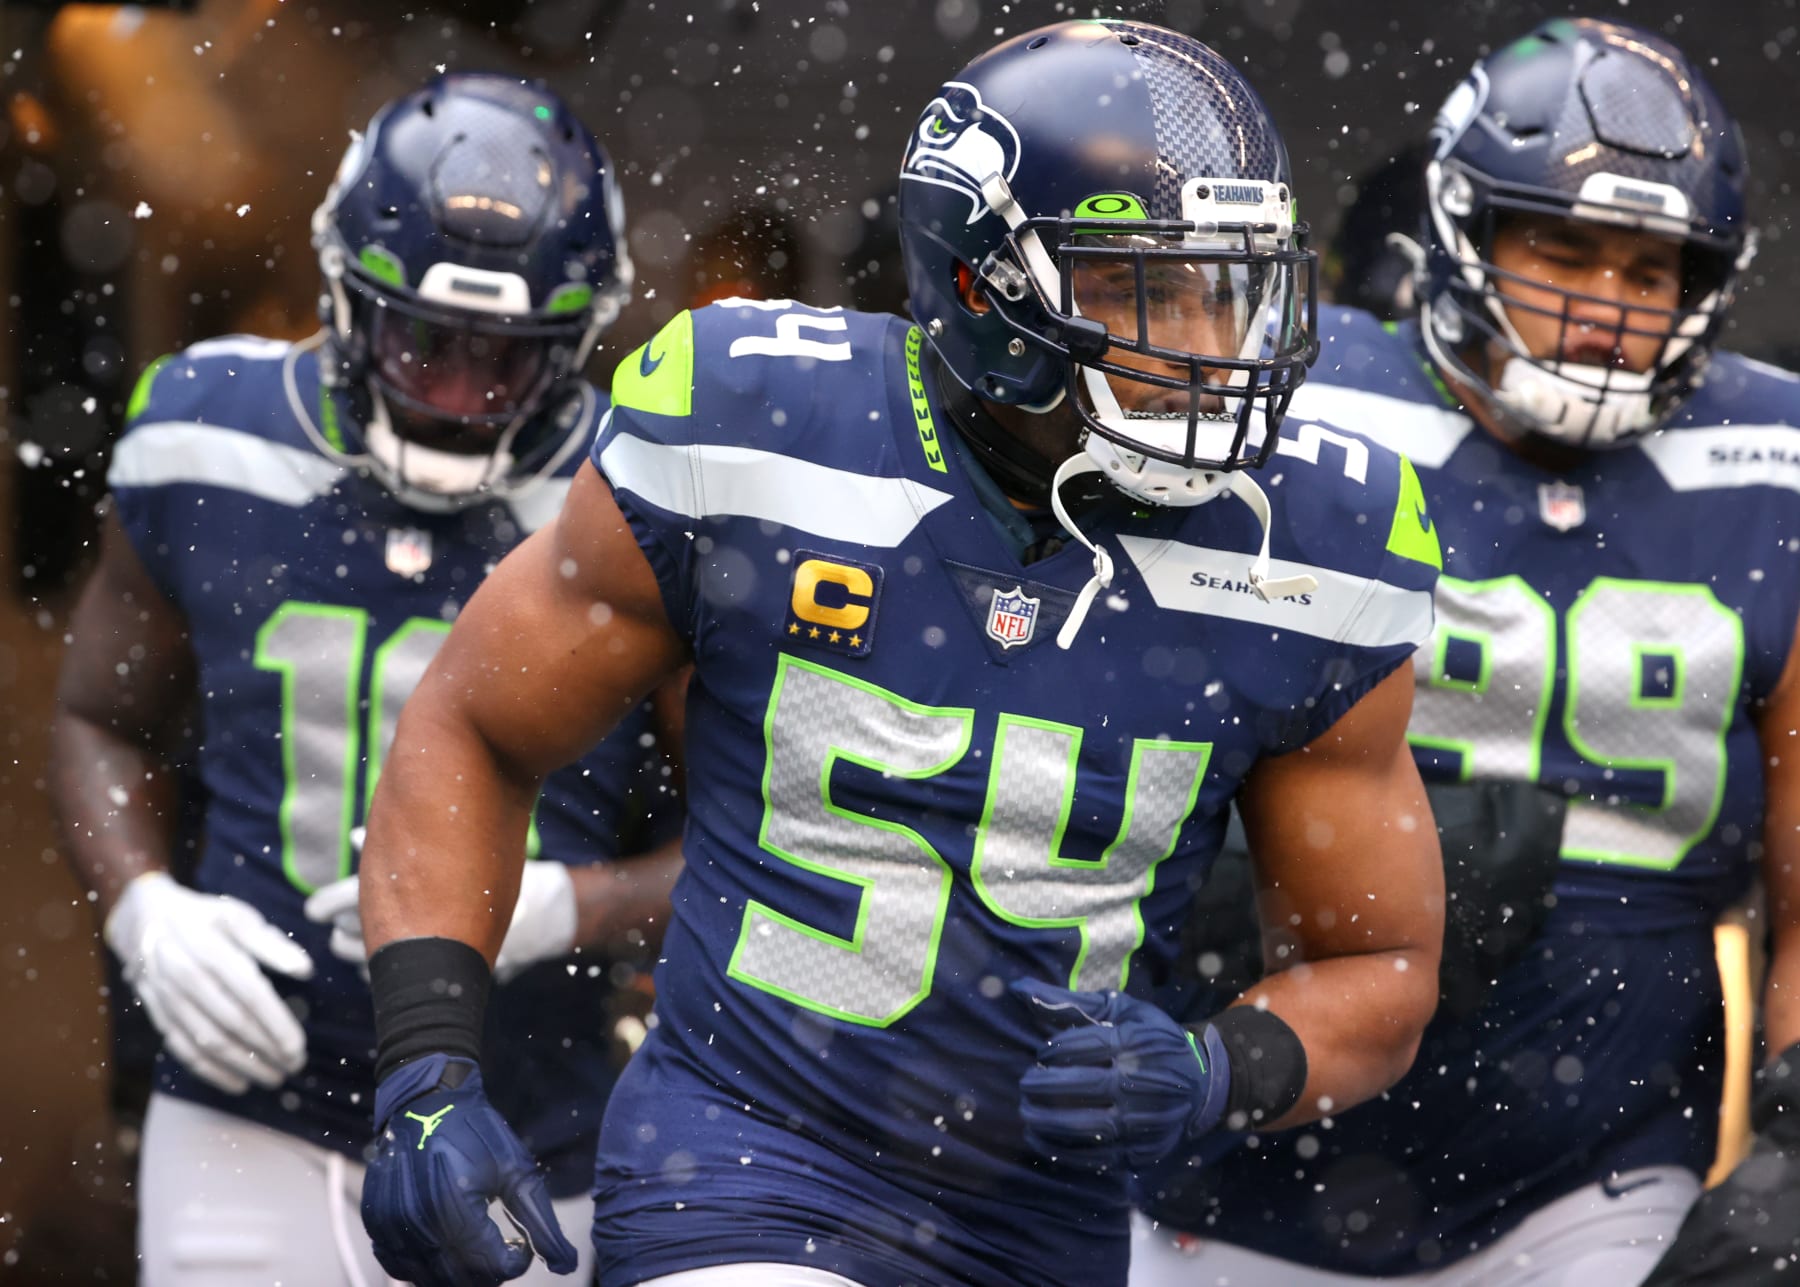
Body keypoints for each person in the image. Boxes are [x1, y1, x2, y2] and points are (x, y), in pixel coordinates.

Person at [355, 20, 1448, 1287]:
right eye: (1139, 288)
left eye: (1225, 288)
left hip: (1050, 1225)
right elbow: (476, 728)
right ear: (985, 287)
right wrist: (426, 1069)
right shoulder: (759, 423)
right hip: (746, 1155)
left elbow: (1380, 963)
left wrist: (1221, 1069)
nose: (1203, 343)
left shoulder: (1314, 546)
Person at [1130, 18, 1800, 1286]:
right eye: (1565, 249)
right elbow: (1099, 710)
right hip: (1234, 1146)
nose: (1605, 309)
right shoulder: (1292, 405)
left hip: (1595, 1166)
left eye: (1650, 269)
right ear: (1461, 226)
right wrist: (1237, 878)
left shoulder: (1773, 462)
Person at [49, 72, 683, 1286]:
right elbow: (97, 718)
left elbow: (754, 843)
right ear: (345, 295)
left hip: (526, 1121)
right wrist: (143, 907)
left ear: (578, 337)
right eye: (422, 342)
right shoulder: (205, 433)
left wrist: (577, 907)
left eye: (504, 361)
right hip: (247, 1101)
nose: (456, 395)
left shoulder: (645, 494)